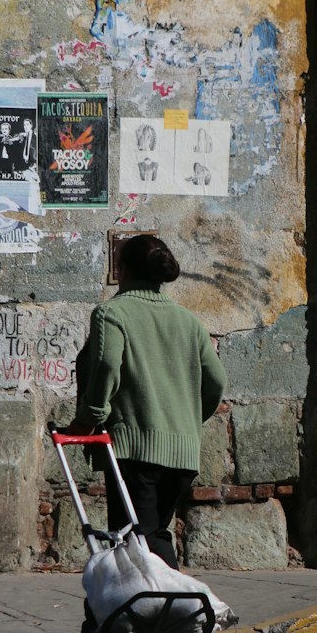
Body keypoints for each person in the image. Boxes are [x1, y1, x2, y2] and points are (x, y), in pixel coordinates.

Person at [65, 234, 226, 569]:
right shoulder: (188, 321)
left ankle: (171, 611)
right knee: (153, 533)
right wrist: (187, 420)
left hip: (135, 450)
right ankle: (153, 613)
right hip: (182, 452)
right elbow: (217, 382)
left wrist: (91, 416)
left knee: (137, 540)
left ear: (123, 270)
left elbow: (108, 364)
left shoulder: (112, 313)